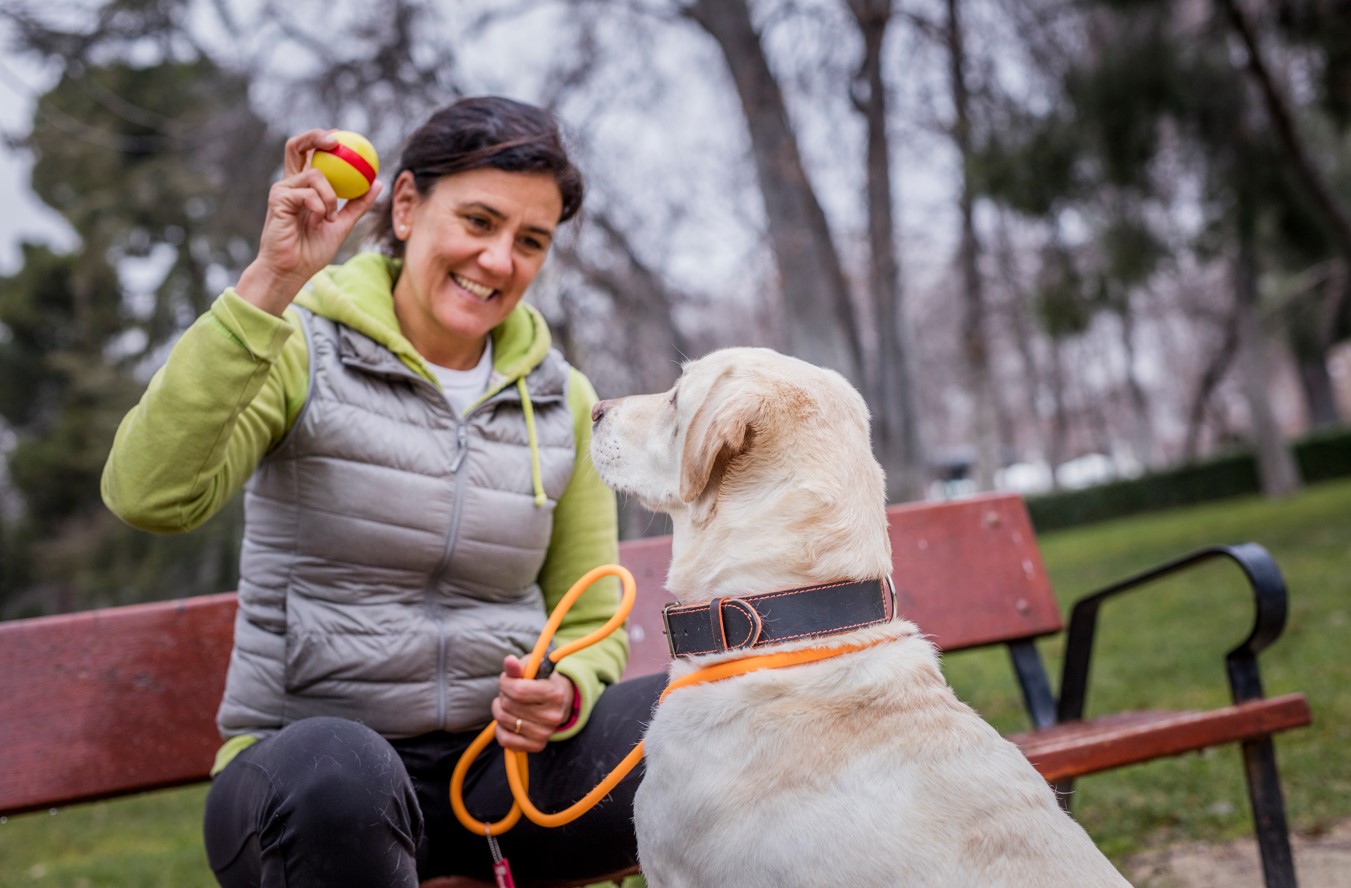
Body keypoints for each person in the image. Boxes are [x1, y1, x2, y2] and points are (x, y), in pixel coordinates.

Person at [101, 96, 665, 887]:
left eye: (529, 240)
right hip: (308, 784)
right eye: (477, 221)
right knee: (342, 776)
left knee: (698, 719)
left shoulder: (562, 398)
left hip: (493, 781)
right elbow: (147, 494)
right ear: (405, 206)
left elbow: (592, 614)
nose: (499, 260)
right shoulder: (296, 345)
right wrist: (273, 282)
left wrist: (564, 693)